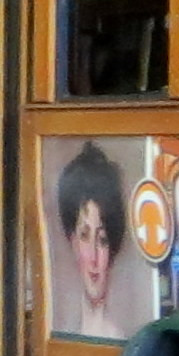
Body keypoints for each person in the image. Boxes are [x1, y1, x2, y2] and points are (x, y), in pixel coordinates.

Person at [54, 143, 132, 338]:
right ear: (72, 241)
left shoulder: (117, 339)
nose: (94, 257)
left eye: (103, 240)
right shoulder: (63, 334)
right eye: (84, 235)